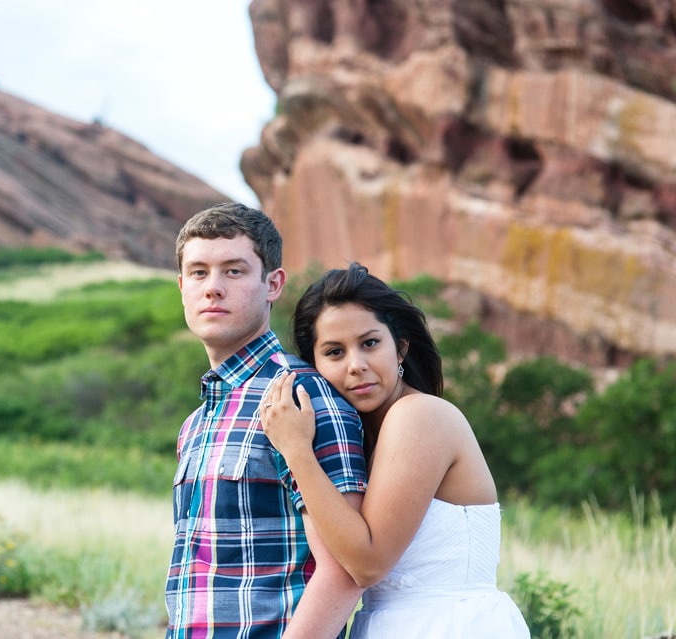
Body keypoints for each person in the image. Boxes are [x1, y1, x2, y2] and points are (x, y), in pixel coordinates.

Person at [261, 262, 530, 638]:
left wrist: (297, 452)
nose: (356, 366)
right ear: (315, 365)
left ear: (400, 348)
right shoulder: (368, 437)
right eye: (335, 352)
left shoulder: (420, 415)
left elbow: (367, 564)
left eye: (370, 343)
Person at [165, 203, 369, 639]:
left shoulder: (301, 396)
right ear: (182, 286)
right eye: (199, 273)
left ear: (273, 284)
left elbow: (346, 571)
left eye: (234, 271)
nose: (213, 288)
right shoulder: (195, 423)